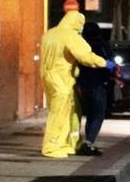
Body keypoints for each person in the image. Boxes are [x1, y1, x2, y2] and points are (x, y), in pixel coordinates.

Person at [41, 11, 116, 158]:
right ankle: (52, 146)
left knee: (71, 111)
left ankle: (71, 143)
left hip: (48, 77)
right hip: (62, 79)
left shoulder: (49, 34)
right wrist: (105, 63)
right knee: (60, 114)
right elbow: (85, 56)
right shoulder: (70, 36)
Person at [77, 22, 115, 156]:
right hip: (98, 83)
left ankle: (88, 142)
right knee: (98, 115)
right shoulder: (102, 45)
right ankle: (88, 143)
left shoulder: (81, 45)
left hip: (83, 84)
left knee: (90, 115)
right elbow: (110, 63)